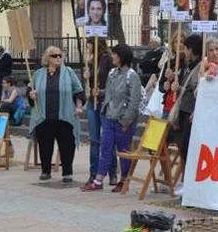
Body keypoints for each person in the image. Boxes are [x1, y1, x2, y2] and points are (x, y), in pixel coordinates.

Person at [83, 43, 142, 192]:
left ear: (122, 57)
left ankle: (124, 180)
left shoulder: (132, 76)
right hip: (109, 116)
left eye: (115, 54)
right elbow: (109, 93)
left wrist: (126, 120)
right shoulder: (112, 73)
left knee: (123, 151)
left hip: (122, 119)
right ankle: (98, 180)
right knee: (106, 148)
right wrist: (100, 92)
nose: (112, 56)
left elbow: (134, 101)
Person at [26, 46, 85, 183]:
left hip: (65, 116)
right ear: (48, 58)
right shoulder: (38, 74)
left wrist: (79, 106)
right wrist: (31, 94)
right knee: (45, 145)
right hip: (43, 116)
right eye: (54, 55)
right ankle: (45, 171)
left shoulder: (68, 72)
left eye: (60, 55)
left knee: (67, 145)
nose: (58, 57)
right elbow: (30, 90)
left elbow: (78, 91)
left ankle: (67, 172)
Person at [168, 34, 203, 192]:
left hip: (190, 110)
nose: (185, 51)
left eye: (187, 48)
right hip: (183, 109)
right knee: (182, 146)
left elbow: (195, 88)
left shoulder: (200, 66)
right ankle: (185, 179)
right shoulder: (188, 65)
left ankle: (189, 181)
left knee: (187, 146)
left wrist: (181, 88)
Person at [83, 39, 114, 186]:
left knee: (108, 139)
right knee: (94, 140)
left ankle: (112, 172)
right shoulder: (90, 61)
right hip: (92, 102)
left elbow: (112, 83)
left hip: (105, 103)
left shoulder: (107, 60)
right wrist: (87, 77)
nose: (87, 47)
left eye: (89, 44)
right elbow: (89, 85)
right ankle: (93, 173)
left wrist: (101, 91)